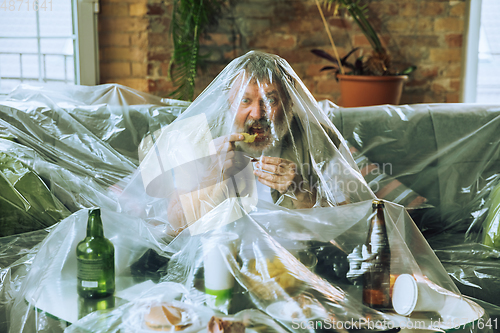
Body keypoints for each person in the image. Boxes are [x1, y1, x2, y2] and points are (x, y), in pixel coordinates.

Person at [138, 51, 372, 234]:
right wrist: (210, 177)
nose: (257, 113)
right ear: (229, 101)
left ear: (290, 103)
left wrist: (302, 194)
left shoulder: (320, 141)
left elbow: (350, 224)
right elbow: (173, 228)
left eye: (270, 100)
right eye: (245, 100)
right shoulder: (195, 139)